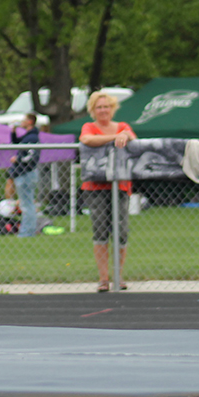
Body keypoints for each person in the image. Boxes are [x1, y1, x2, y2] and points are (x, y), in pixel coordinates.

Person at [80, 92, 133, 291]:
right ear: (93, 110)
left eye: (106, 107)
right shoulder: (90, 127)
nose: (103, 110)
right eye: (99, 107)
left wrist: (123, 135)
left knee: (121, 230)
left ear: (112, 108)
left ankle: (118, 276)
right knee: (100, 229)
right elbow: (87, 139)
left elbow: (130, 136)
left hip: (119, 184)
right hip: (96, 186)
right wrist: (114, 137)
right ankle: (104, 278)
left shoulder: (122, 126)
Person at [9, 113, 41, 237]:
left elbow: (31, 156)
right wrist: (13, 132)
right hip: (23, 173)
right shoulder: (28, 136)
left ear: (30, 121)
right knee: (26, 203)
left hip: (27, 173)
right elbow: (17, 143)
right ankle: (28, 230)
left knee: (27, 204)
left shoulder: (32, 137)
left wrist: (18, 160)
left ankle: (27, 232)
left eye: (24, 120)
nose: (22, 122)